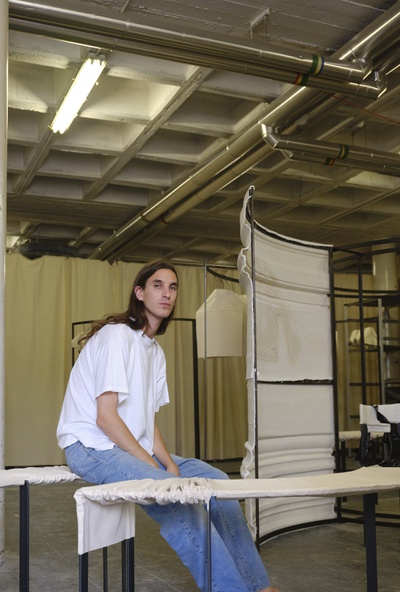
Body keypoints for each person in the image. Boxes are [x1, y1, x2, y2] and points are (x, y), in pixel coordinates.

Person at [57, 260, 279, 592]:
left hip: (126, 447)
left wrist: (169, 464)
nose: (167, 294)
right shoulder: (117, 337)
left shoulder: (154, 351)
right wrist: (152, 467)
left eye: (173, 287)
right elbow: (105, 417)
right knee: (176, 498)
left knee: (218, 484)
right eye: (157, 285)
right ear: (139, 293)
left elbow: (147, 421)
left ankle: (259, 586)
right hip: (91, 446)